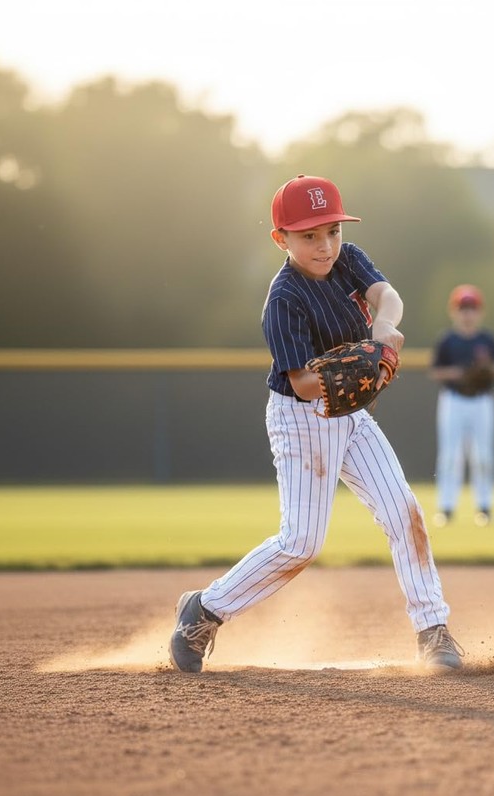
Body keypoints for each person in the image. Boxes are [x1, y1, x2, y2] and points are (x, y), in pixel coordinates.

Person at [169, 174, 463, 673]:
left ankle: (432, 629)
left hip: (352, 417)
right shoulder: (284, 299)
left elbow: (388, 296)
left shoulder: (347, 259)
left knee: (404, 512)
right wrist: (360, 370)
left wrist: (383, 328)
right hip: (302, 419)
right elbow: (304, 383)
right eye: (309, 235)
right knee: (301, 542)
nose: (325, 245)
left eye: (332, 230)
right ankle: (204, 610)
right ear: (280, 239)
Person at [430, 284, 494, 528]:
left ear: (480, 312)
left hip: (482, 400)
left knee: (483, 455)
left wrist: (487, 370)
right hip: (453, 399)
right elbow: (436, 371)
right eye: (463, 308)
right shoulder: (448, 340)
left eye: (472, 308)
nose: (467, 313)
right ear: (454, 311)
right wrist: (458, 373)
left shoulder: (488, 340)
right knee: (450, 456)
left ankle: (484, 507)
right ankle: (446, 508)